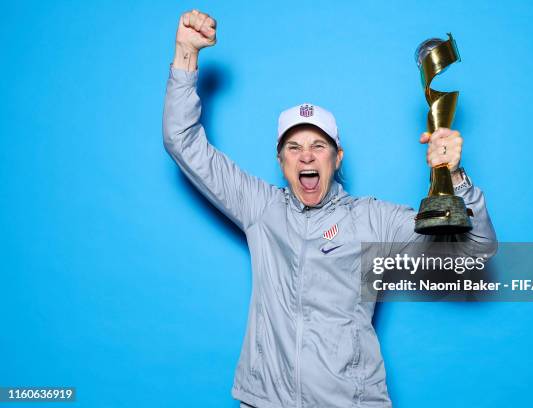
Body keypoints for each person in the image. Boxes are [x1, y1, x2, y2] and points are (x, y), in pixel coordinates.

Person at [163, 9, 496, 408]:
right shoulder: (260, 208)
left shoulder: (372, 220)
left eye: (318, 146)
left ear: (337, 157)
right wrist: (185, 55)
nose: (307, 157)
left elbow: (475, 255)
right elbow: (183, 143)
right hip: (264, 400)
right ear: (281, 160)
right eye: (294, 147)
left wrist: (456, 179)